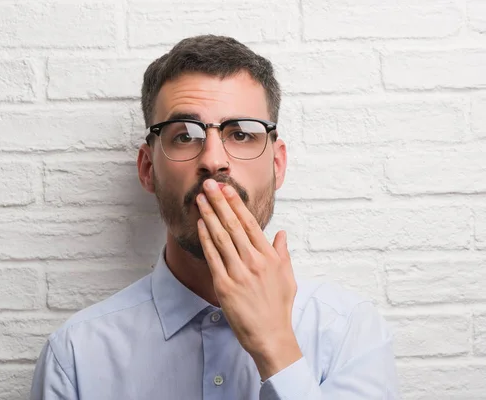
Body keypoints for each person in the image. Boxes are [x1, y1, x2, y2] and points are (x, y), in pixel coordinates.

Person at [30, 35, 400, 399]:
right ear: (147, 169)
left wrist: (276, 347)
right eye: (185, 136)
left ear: (277, 164)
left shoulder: (350, 331)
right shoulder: (76, 356)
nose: (213, 159)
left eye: (241, 134)